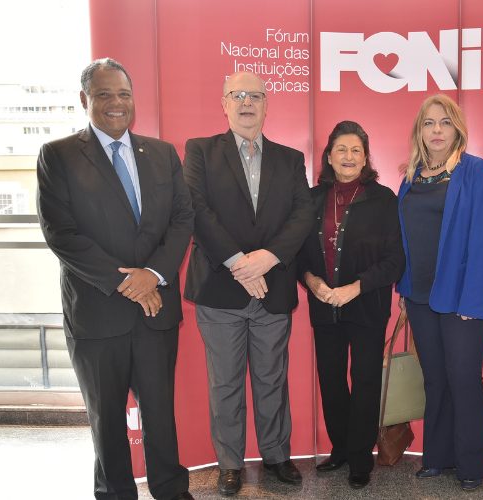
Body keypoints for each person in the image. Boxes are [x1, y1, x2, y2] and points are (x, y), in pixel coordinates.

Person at [36, 58, 194, 500]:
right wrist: (130, 283)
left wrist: (153, 274)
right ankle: (115, 493)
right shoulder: (58, 155)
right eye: (104, 94)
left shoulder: (161, 153)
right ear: (84, 99)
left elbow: (182, 219)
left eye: (124, 94)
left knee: (159, 412)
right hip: (97, 312)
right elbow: (61, 233)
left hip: (155, 310)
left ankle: (171, 490)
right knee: (106, 419)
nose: (116, 103)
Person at [182, 71, 313, 496]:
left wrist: (268, 258)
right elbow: (197, 211)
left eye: (255, 95)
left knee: (272, 378)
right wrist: (241, 264)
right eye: (237, 95)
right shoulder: (200, 151)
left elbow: (302, 215)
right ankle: (230, 464)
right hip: (220, 288)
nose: (246, 103)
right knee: (225, 382)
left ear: (266, 104)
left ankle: (276, 456)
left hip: (273, 287)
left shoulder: (290, 159)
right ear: (223, 103)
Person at [397, 94, 483, 491]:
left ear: (457, 128)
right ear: (419, 131)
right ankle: (438, 457)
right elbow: (407, 238)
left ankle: (471, 464)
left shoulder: (476, 172)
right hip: (420, 296)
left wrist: (473, 300)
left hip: (463, 298)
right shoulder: (411, 177)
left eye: (444, 122)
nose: (437, 130)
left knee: (463, 378)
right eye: (429, 123)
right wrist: (405, 288)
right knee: (435, 379)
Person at [298, 120, 405, 489]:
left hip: (366, 305)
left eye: (355, 150)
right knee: (330, 379)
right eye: (341, 149)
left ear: (365, 158)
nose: (348, 156)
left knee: (365, 380)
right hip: (323, 305)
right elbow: (298, 253)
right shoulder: (311, 198)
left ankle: (361, 457)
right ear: (329, 156)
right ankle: (340, 449)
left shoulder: (384, 199)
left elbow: (395, 261)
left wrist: (354, 288)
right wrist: (310, 280)